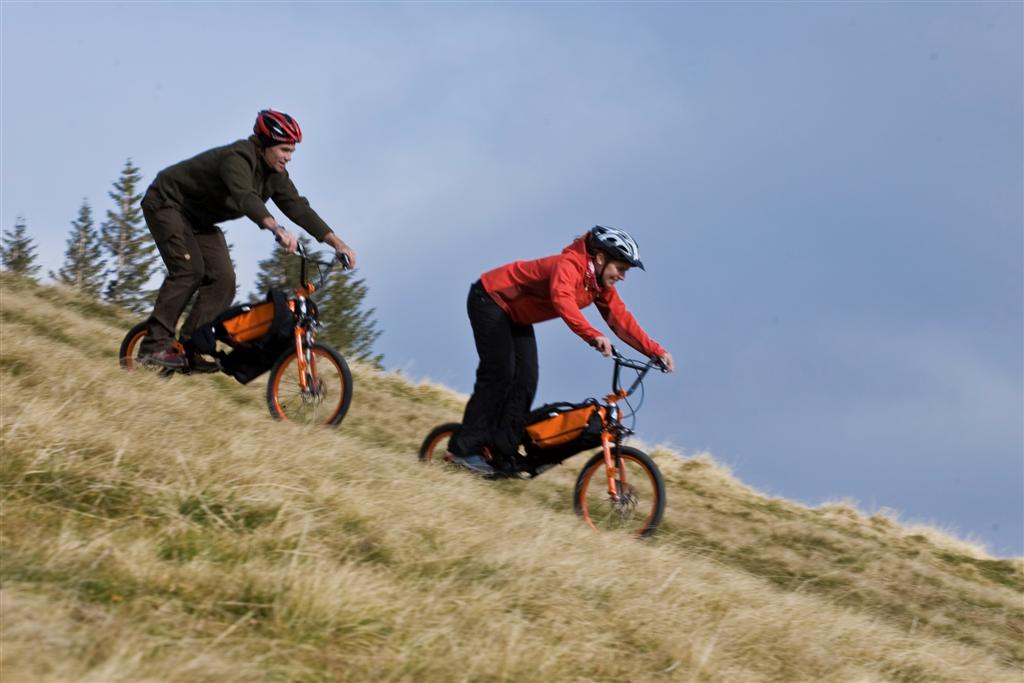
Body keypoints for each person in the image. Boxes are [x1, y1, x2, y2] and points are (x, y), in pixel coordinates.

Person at [137, 109, 357, 369]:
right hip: (167, 203)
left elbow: (298, 207)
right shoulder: (238, 158)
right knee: (189, 271)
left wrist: (337, 243)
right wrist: (276, 229)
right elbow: (245, 197)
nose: (288, 157)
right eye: (284, 150)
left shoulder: (275, 176)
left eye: (292, 152)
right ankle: (153, 347)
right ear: (265, 144)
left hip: (199, 221)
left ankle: (188, 347)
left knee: (224, 280)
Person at [447, 225, 674, 475]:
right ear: (600, 258)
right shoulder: (569, 265)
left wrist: (655, 351)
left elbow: (620, 319)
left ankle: (502, 451)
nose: (622, 276)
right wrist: (592, 334)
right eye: (620, 269)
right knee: (500, 372)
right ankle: (463, 450)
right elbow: (562, 299)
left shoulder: (598, 285)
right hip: (490, 298)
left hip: (516, 316)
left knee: (526, 380)